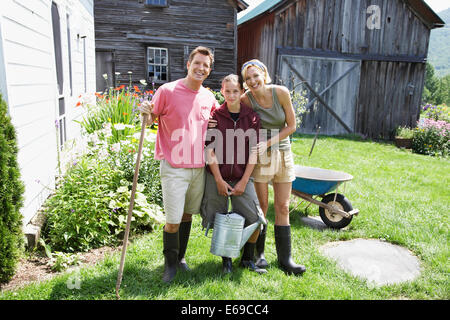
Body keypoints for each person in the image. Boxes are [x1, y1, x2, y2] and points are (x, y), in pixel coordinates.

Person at [139, 46, 219, 283]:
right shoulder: (168, 91)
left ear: (209, 70)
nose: (201, 68)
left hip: (199, 168)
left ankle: (181, 259)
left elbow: (216, 125)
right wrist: (145, 112)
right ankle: (170, 267)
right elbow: (151, 118)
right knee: (172, 220)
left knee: (187, 216)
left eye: (205, 65)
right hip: (174, 167)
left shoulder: (208, 97)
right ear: (188, 64)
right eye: (197, 63)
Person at [240, 59, 306, 276]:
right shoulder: (246, 99)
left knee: (283, 207)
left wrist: (268, 142)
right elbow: (230, 111)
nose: (252, 81)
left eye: (255, 76)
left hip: (283, 153)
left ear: (264, 74)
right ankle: (259, 255)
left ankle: (285, 259)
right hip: (261, 158)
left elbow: (292, 126)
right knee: (262, 207)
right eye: (248, 78)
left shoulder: (281, 93)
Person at [201, 74, 266, 275]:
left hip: (242, 176)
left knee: (254, 217)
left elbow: (255, 151)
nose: (231, 95)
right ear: (222, 91)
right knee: (220, 217)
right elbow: (209, 150)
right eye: (227, 91)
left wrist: (244, 180)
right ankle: (226, 259)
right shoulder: (215, 116)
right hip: (216, 176)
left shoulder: (252, 117)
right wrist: (219, 180)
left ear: (241, 92)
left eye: (235, 91)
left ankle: (247, 258)